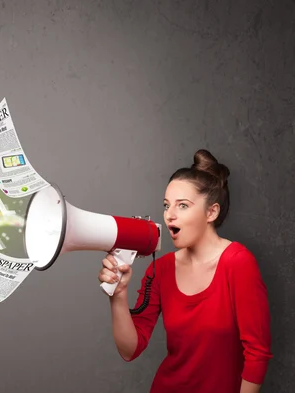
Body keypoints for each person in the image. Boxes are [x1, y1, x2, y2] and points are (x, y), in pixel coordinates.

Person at [98, 149, 272, 393]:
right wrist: (118, 296)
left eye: (183, 206)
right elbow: (130, 350)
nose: (170, 215)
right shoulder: (161, 269)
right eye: (166, 205)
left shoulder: (238, 263)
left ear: (211, 212)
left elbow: (257, 353)